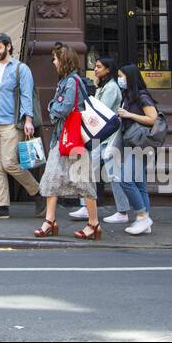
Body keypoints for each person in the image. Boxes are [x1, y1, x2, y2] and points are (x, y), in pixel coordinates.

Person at [0, 33, 48, 219]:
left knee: (10, 164)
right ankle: (2, 206)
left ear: (8, 47)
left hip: (12, 124)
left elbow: (27, 96)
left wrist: (28, 120)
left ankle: (38, 193)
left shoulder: (21, 69)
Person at [35, 44, 101, 240]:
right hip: (64, 138)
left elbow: (62, 109)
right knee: (52, 178)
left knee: (84, 182)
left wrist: (51, 106)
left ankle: (94, 223)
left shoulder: (71, 82)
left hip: (72, 138)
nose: (53, 62)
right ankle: (49, 221)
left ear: (63, 60)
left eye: (55, 59)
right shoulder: (67, 80)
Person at [82, 56, 134, 226]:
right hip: (101, 136)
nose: (95, 69)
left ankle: (122, 211)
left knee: (112, 173)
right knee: (94, 170)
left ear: (108, 69)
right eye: (95, 66)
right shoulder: (103, 86)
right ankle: (87, 205)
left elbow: (99, 111)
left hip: (109, 136)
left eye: (98, 67)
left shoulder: (111, 88)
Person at [114, 64, 160, 236]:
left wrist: (129, 115)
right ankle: (144, 222)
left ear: (130, 77)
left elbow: (153, 119)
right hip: (130, 142)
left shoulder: (141, 96)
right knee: (140, 184)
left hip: (141, 144)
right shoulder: (128, 96)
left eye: (121, 76)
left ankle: (142, 216)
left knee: (126, 179)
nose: (120, 80)